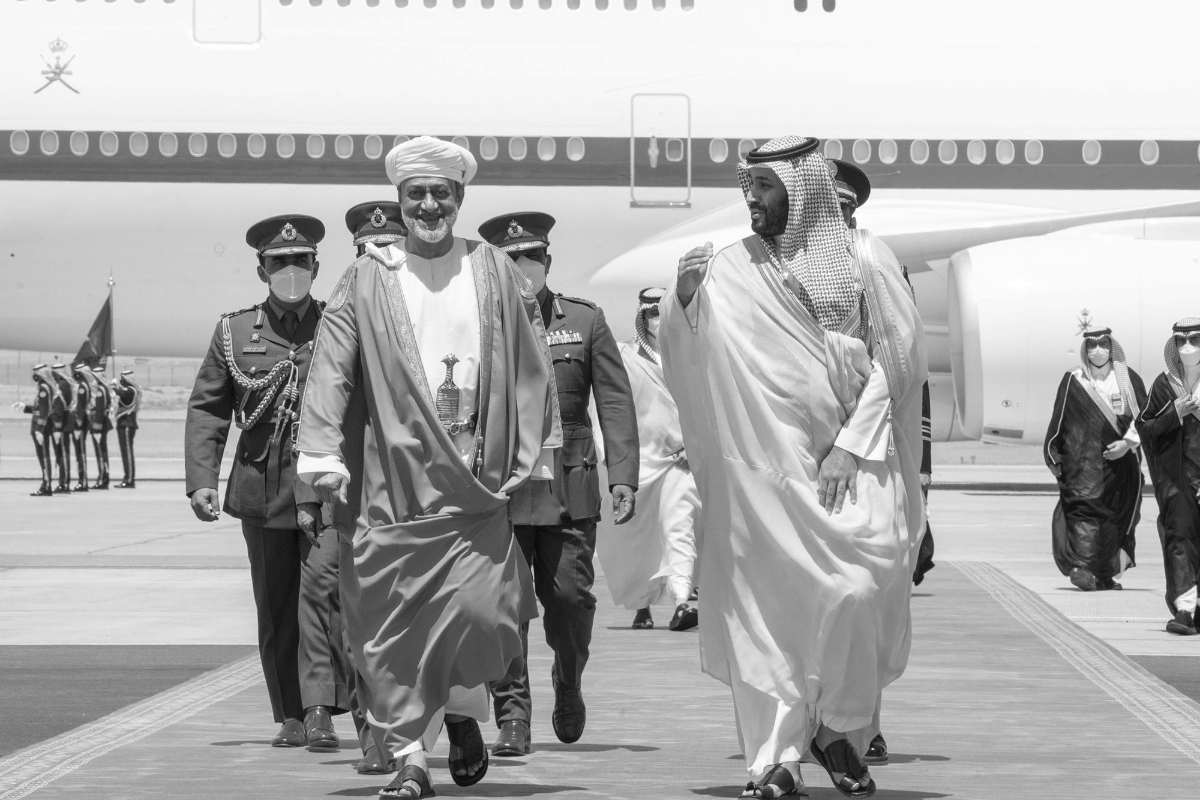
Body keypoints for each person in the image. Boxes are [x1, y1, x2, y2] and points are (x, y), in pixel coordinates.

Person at [663, 136, 927, 799]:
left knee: (862, 590)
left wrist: (850, 445)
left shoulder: (867, 258)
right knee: (771, 608)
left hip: (852, 464)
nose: (749, 196)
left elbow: (899, 360)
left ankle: (837, 725)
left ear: (801, 188)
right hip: (765, 471)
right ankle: (774, 759)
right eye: (746, 184)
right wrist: (688, 303)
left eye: (764, 185)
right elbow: (693, 354)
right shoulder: (729, 266)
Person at [296, 136, 560, 800]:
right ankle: (412, 758)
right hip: (393, 486)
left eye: (441, 193)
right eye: (416, 194)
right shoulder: (366, 277)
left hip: (475, 482)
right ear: (399, 203)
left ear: (460, 199)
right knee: (389, 631)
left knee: (478, 616)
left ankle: (466, 714)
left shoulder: (495, 269)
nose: (429, 204)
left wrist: (538, 456)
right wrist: (322, 451)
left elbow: (532, 365)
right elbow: (330, 368)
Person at [185, 214, 351, 750]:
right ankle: (293, 714)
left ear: (316, 266)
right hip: (262, 487)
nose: (291, 270)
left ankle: (323, 707)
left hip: (326, 484)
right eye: (280, 263)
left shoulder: (339, 324)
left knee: (324, 598)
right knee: (276, 606)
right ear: (262, 269)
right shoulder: (235, 332)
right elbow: (208, 408)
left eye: (301, 261)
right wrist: (201, 480)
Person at [477, 211, 639, 758]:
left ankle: (568, 682)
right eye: (514, 261)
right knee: (504, 607)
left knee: (569, 600)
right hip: (501, 490)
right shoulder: (479, 323)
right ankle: (513, 717)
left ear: (548, 262)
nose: (525, 269)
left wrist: (624, 477)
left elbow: (614, 401)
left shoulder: (584, 321)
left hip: (567, 487)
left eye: (534, 259)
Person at [341, 199, 409, 776]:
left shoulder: (432, 312)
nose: (379, 258)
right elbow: (317, 409)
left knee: (442, 613)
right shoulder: (339, 312)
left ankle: (458, 720)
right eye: (368, 249)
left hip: (424, 493)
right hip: (359, 497)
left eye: (390, 247)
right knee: (363, 624)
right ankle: (375, 734)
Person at [596, 286, 700, 633]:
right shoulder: (624, 356)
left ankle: (682, 600)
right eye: (652, 314)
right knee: (634, 541)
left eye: (663, 312)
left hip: (680, 461)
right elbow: (610, 405)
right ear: (643, 318)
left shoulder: (692, 353)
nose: (659, 320)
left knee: (679, 525)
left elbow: (708, 403)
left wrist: (696, 443)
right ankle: (641, 605)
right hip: (639, 464)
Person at [1045, 325, 1145, 592]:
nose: (1098, 350)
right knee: (1083, 512)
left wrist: (1127, 443)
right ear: (1085, 349)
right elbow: (1059, 420)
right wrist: (1051, 453)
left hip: (1122, 466)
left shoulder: (1127, 379)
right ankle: (1082, 568)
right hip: (1082, 465)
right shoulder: (1074, 379)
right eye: (1092, 345)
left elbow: (1145, 418)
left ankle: (1102, 574)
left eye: (1103, 344)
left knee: (1116, 519)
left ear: (1112, 347)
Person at [1137, 318, 1200, 635]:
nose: (1188, 347)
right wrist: (1174, 411)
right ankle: (1184, 611)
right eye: (1182, 341)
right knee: (1178, 541)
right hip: (1179, 481)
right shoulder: (1164, 385)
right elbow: (1145, 428)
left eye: (1195, 340)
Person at [12, 364, 61, 497]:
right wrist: (25, 408)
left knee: (44, 457)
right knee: (43, 457)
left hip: (41, 427)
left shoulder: (44, 388)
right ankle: (46, 484)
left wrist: (39, 429)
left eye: (36, 372)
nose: (34, 375)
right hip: (43, 425)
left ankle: (47, 485)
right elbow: (40, 408)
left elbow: (44, 412)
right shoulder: (46, 387)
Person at [50, 363, 78, 493]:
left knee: (62, 453)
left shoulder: (61, 385)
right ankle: (63, 482)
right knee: (62, 453)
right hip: (65, 421)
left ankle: (64, 483)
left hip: (63, 423)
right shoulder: (65, 383)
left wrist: (57, 427)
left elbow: (59, 407)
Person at [112, 369, 141, 488]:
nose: (121, 381)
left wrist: (113, 386)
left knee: (128, 453)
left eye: (123, 379)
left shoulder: (132, 390)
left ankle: (129, 479)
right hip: (123, 424)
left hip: (127, 424)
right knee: (125, 453)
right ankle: (127, 477)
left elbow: (121, 393)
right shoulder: (128, 390)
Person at [68, 363, 93, 492]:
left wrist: (78, 425)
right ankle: (81, 480)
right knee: (79, 453)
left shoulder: (82, 387)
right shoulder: (83, 385)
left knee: (81, 453)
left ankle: (83, 482)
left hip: (80, 424)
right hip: (80, 422)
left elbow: (81, 407)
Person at [87, 366, 113, 490]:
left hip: (100, 425)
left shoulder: (100, 390)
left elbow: (99, 411)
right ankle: (103, 478)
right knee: (102, 452)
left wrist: (96, 429)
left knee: (101, 453)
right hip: (101, 424)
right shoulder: (103, 389)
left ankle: (103, 479)